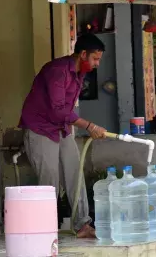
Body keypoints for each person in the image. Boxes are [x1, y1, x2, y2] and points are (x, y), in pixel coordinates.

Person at [19, 33, 107, 238]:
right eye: (95, 58)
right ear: (83, 54)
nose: (97, 64)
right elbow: (58, 110)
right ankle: (45, 229)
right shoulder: (57, 71)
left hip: (61, 128)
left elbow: (64, 112)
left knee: (74, 171)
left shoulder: (79, 74)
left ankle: (83, 224)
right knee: (49, 179)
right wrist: (89, 125)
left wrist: (83, 125)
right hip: (40, 128)